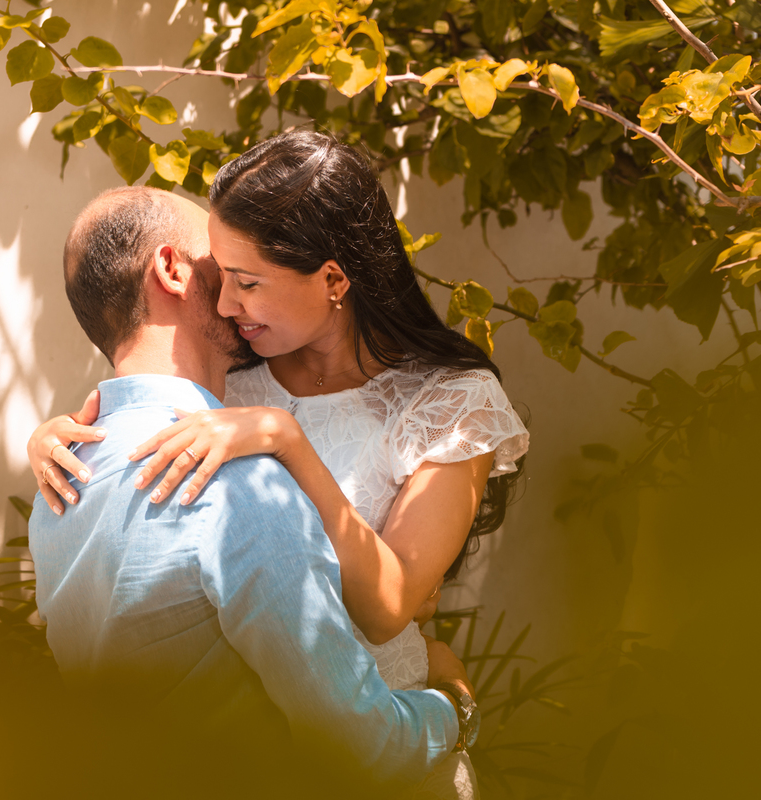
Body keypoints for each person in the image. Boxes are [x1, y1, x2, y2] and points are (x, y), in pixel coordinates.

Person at [30, 131, 529, 799]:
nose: (226, 303)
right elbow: (140, 426)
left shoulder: (451, 402)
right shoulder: (231, 376)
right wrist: (51, 438)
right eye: (222, 275)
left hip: (395, 745)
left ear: (333, 280)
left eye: (246, 281)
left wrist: (288, 440)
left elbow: (390, 606)